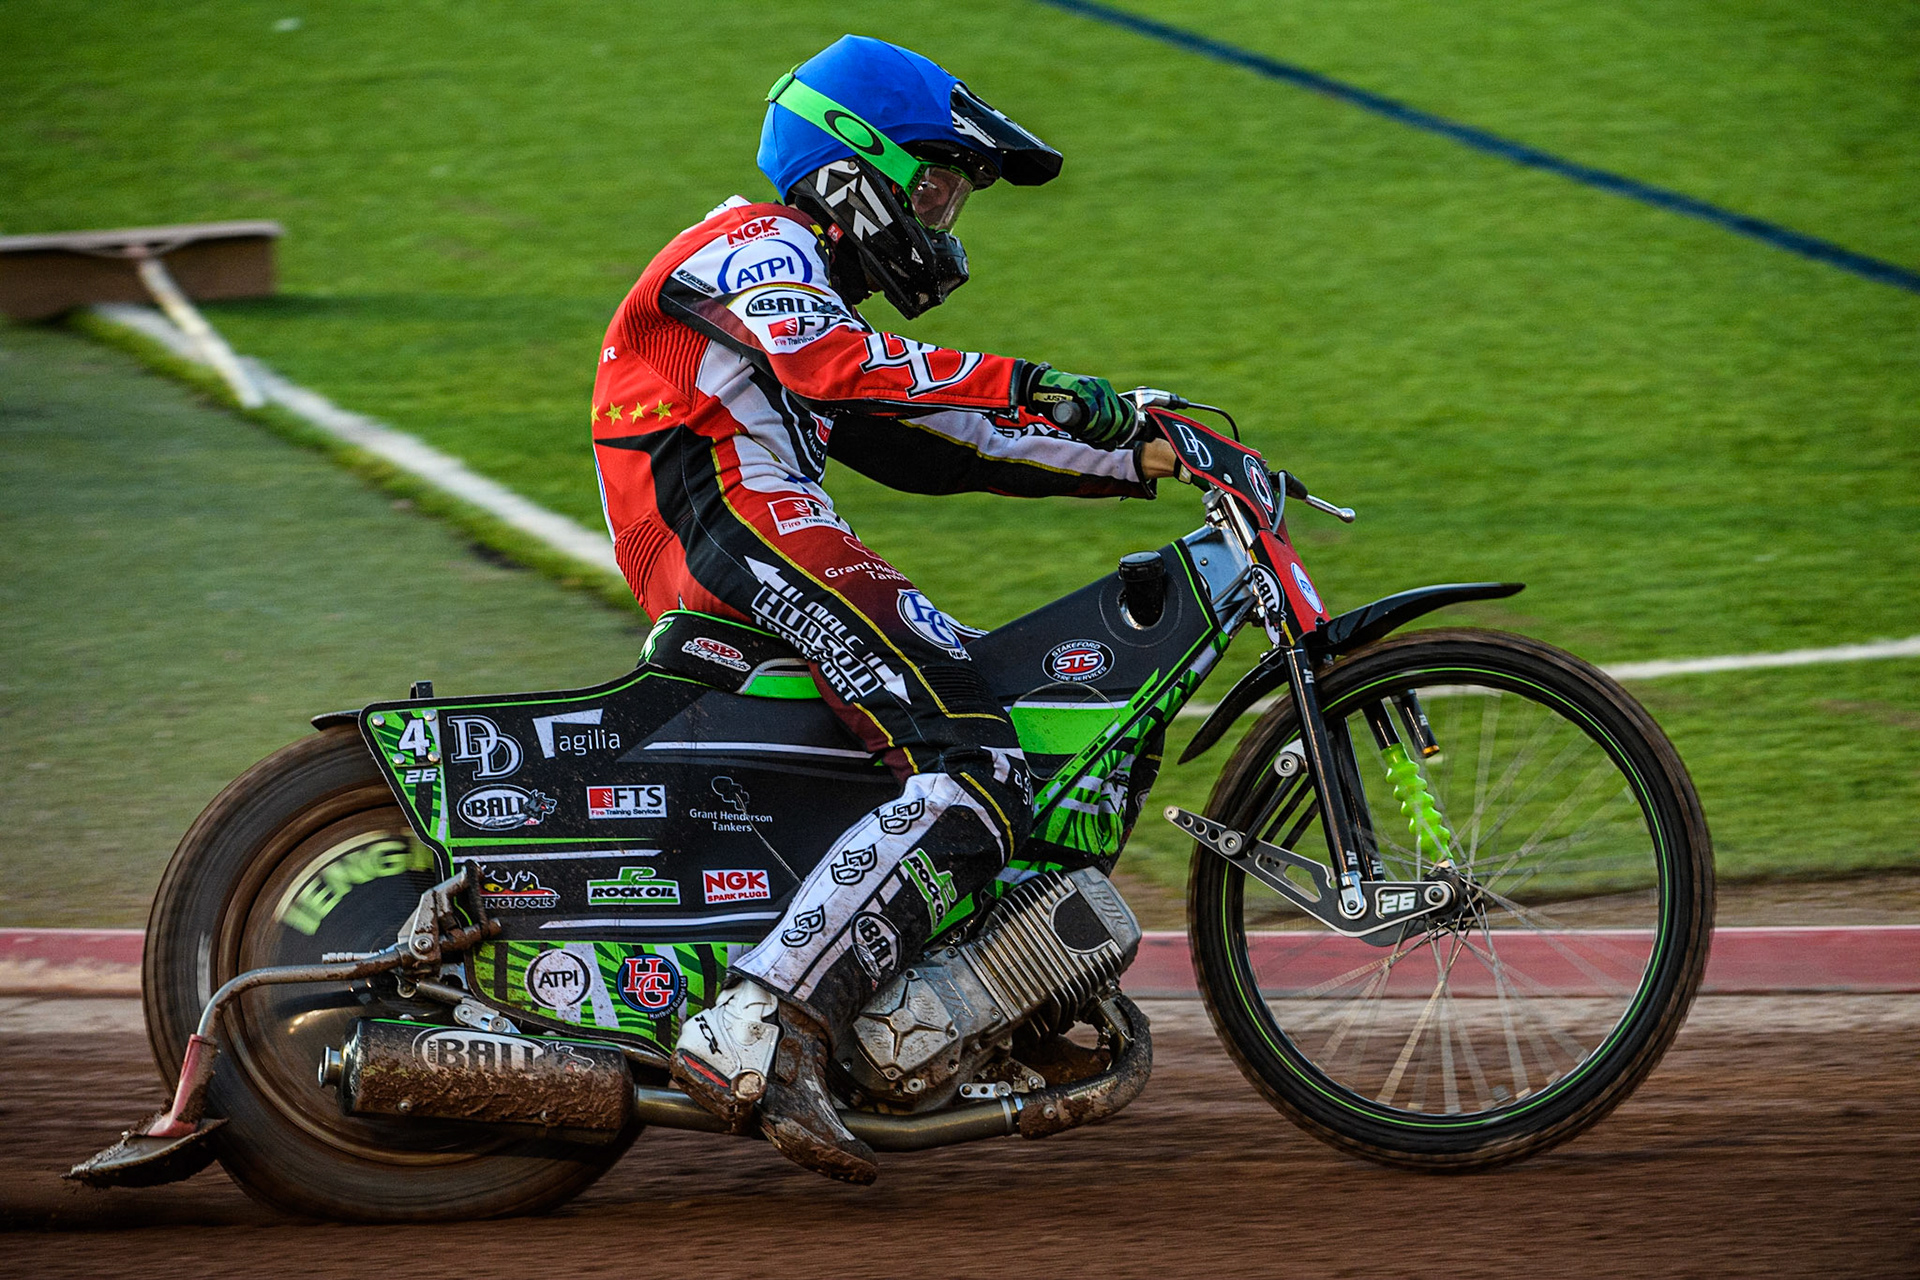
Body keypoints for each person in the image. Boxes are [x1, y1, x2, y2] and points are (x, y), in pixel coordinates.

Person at [590, 34, 1177, 1183]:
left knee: (972, 714)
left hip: (750, 529)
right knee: (978, 759)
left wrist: (1143, 448)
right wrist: (1038, 380)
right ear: (852, 164)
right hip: (733, 522)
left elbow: (934, 440)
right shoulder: (759, 246)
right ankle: (762, 1024)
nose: (947, 220)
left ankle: (912, 988)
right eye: (937, 185)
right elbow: (838, 368)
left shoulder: (803, 286)